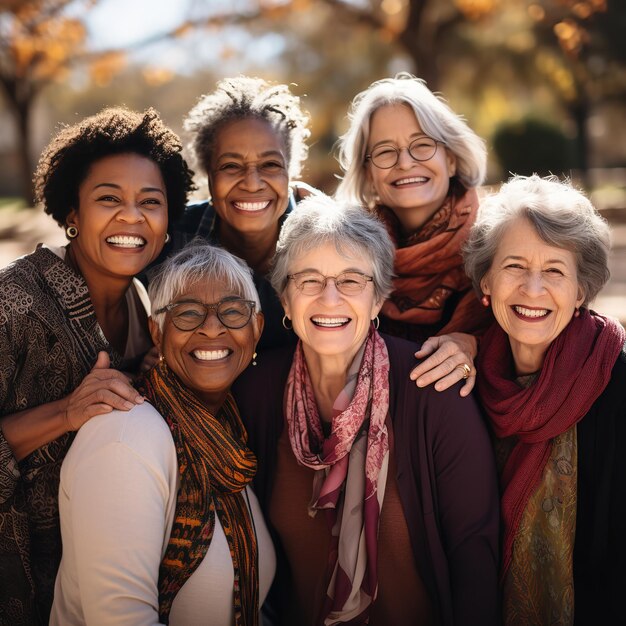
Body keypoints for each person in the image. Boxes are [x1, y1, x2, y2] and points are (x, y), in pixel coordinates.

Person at [233, 194, 500, 625]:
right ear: (284, 298)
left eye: (352, 280)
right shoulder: (255, 394)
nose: (330, 298)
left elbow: (475, 555)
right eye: (310, 281)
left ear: (378, 300)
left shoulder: (434, 392)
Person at [0, 107, 195, 626]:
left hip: (101, 588)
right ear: (72, 212)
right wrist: (66, 412)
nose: (131, 217)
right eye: (108, 198)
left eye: (149, 202)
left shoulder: (152, 308)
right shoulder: (13, 301)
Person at [51, 244, 276, 626]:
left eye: (233, 311)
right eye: (187, 313)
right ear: (157, 331)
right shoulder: (125, 436)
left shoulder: (227, 435)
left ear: (256, 330)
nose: (211, 327)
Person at [463, 175, 626, 625]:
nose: (533, 290)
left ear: (580, 292)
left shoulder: (617, 382)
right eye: (514, 266)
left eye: (555, 270)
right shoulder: (464, 385)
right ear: (486, 283)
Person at [336, 73, 492, 396]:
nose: (405, 163)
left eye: (422, 145)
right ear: (368, 172)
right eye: (385, 151)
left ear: (450, 159)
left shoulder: (496, 244)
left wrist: (473, 342)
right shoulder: (349, 257)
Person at [154, 75, 315, 352]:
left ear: (292, 171)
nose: (252, 183)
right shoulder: (171, 236)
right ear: (208, 175)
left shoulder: (327, 237)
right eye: (231, 166)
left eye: (270, 165)